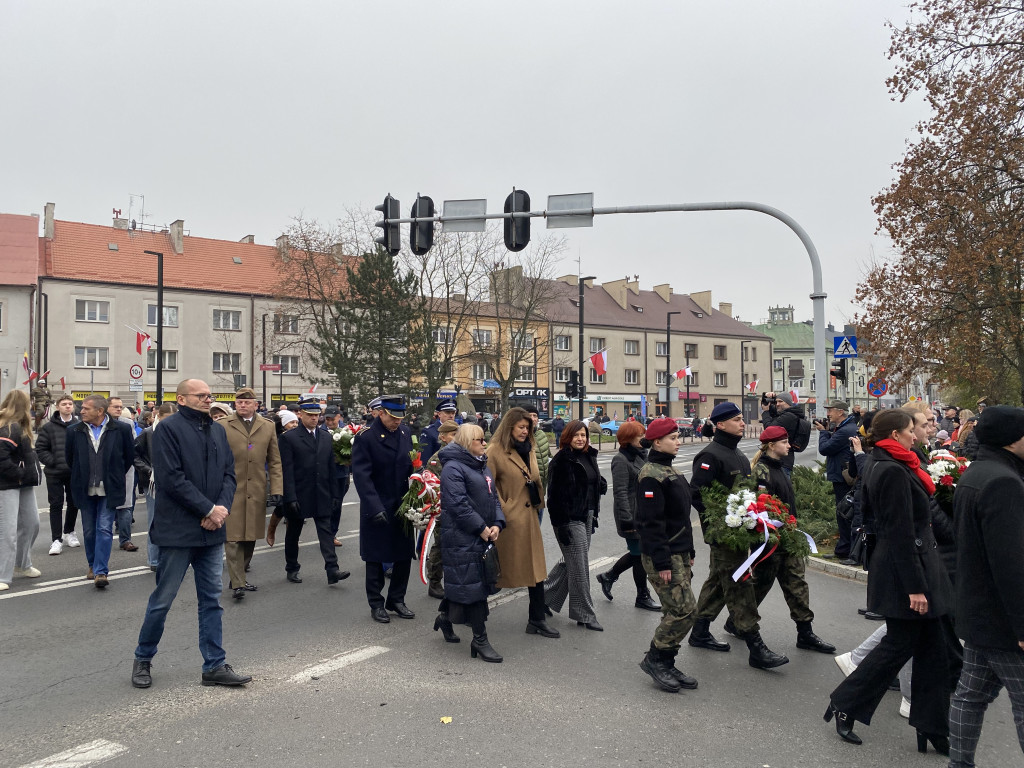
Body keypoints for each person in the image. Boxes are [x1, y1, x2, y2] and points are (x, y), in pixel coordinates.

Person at [825, 409, 952, 753]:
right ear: (895, 434)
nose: (917, 434)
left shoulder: (894, 463)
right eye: (912, 429)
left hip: (913, 566)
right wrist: (914, 587)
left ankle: (931, 726)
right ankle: (847, 703)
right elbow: (898, 532)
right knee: (901, 647)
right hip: (905, 572)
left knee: (931, 650)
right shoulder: (892, 470)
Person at [131, 379, 251, 689]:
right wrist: (208, 510)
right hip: (178, 533)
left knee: (211, 600)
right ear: (181, 399)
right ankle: (143, 658)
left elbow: (229, 474)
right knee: (163, 600)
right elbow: (171, 479)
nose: (207, 399)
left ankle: (214, 665)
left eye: (209, 395)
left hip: (211, 532)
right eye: (201, 395)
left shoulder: (217, 429)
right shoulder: (168, 430)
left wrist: (220, 509)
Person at [948, 405, 1024, 767]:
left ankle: (959, 764)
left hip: (978, 612)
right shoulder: (1004, 482)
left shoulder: (978, 472)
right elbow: (1011, 563)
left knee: (969, 697)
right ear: (1013, 440)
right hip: (1005, 622)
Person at [689, 401, 789, 669]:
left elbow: (748, 494)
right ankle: (755, 646)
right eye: (736, 420)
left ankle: (699, 631)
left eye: (742, 419)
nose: (742, 423)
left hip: (741, 532)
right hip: (724, 533)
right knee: (739, 583)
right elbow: (697, 494)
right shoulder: (710, 455)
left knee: (717, 582)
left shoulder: (740, 456)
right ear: (720, 424)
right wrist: (723, 520)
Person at [748, 425, 835, 654]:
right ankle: (740, 622)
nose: (789, 445)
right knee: (759, 586)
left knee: (797, 584)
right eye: (784, 442)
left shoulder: (780, 467)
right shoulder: (762, 471)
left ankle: (805, 632)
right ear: (771, 445)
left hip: (789, 538)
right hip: (772, 541)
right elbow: (761, 508)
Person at [635, 417, 699, 692]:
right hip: (663, 555)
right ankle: (655, 658)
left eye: (677, 437)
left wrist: (690, 550)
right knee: (685, 610)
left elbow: (682, 517)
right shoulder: (651, 474)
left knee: (677, 609)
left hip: (679, 551)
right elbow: (651, 523)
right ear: (657, 442)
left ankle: (666, 661)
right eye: (673, 438)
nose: (678, 441)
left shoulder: (669, 470)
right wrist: (661, 561)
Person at [436, 424, 505, 661]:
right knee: (474, 588)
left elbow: (493, 497)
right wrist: (482, 528)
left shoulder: (481, 465)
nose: (484, 443)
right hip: (462, 537)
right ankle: (480, 640)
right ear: (467, 442)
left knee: (467, 582)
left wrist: (497, 522)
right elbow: (458, 505)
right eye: (479, 440)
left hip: (481, 534)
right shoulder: (453, 469)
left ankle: (444, 618)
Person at [487, 406, 558, 639]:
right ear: (509, 427)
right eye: (520, 427)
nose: (525, 432)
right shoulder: (495, 451)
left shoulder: (529, 449)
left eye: (527, 428)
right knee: (493, 573)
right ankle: (453, 611)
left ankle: (536, 619)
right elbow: (487, 486)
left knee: (536, 572)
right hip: (508, 521)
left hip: (530, 518)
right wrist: (503, 508)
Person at [351, 395, 416, 623]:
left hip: (402, 504)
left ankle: (397, 599)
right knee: (376, 557)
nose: (397, 422)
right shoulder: (366, 437)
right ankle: (376, 603)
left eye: (400, 417)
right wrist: (374, 506)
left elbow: (411, 466)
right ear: (381, 413)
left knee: (404, 555)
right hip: (377, 504)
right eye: (393, 417)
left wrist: (419, 487)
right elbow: (362, 476)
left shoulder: (406, 433)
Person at [65, 395, 135, 587]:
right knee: (89, 531)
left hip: (109, 488)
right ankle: (92, 564)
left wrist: (115, 474)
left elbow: (128, 457)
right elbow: (71, 459)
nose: (81, 411)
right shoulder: (74, 431)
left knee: (104, 528)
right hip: (85, 488)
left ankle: (101, 571)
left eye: (86, 408)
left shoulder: (120, 429)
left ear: (100, 411)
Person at [278, 397, 349, 586]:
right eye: (310, 415)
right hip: (300, 492)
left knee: (326, 532)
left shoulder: (325, 436)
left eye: (317, 416)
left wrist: (335, 494)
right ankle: (292, 567)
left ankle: (332, 569)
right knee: (294, 532)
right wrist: (290, 496)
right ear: (300, 415)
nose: (314, 419)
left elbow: (331, 468)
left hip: (322, 492)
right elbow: (287, 469)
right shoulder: (288, 438)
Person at [544, 420, 606, 630]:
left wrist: (600, 484)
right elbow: (553, 497)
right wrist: (561, 526)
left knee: (572, 561)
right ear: (567, 437)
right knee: (579, 566)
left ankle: (543, 596)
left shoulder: (589, 456)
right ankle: (584, 614)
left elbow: (591, 479)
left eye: (583, 435)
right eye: (576, 435)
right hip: (569, 519)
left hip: (587, 514)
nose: (581, 439)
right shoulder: (561, 461)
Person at [222, 388, 283, 599]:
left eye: (247, 402)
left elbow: (274, 461)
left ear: (256, 404)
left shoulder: (267, 426)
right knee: (232, 538)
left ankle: (239, 576)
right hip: (230, 488)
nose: (242, 405)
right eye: (239, 402)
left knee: (250, 536)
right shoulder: (223, 425)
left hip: (256, 488)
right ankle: (238, 583)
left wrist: (276, 489)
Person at [596, 420, 660, 611]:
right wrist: (626, 519)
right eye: (640, 436)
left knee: (639, 553)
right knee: (639, 554)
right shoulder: (620, 460)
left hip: (644, 512)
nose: (643, 439)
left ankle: (608, 576)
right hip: (630, 514)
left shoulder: (642, 455)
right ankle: (642, 595)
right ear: (628, 439)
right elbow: (620, 492)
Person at [0, 390, 43, 590]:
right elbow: (1, 460)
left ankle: (21, 564)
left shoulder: (20, 427)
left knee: (31, 523)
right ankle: (3, 575)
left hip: (22, 482)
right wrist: (21, 473)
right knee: (7, 532)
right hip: (7, 484)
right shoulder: (8, 428)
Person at [35, 393, 80, 556]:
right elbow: (40, 449)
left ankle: (70, 532)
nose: (67, 406)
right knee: (56, 505)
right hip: (54, 472)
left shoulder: (79, 425)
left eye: (70, 404)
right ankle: (56, 539)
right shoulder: (48, 427)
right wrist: (52, 461)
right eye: (64, 404)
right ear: (57, 406)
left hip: (73, 472)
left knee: (74, 503)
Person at [814, 399, 859, 560]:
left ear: (840, 412)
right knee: (845, 513)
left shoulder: (844, 431)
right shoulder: (846, 427)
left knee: (844, 513)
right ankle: (844, 548)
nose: (828, 413)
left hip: (842, 477)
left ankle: (846, 550)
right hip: (843, 475)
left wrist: (823, 432)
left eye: (831, 410)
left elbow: (825, 449)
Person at [134, 403, 176, 570]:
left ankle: (169, 557)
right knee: (154, 521)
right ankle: (154, 560)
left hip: (174, 481)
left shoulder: (178, 432)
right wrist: (148, 470)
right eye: (166, 419)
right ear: (159, 417)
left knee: (173, 522)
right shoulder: (148, 433)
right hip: (153, 483)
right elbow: (135, 455)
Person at [424, 420, 459, 600]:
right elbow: (434, 487)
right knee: (441, 546)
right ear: (443, 437)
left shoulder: (462, 454)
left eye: (457, 434)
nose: (456, 438)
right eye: (453, 435)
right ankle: (435, 581)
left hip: (460, 509)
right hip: (444, 510)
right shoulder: (437, 459)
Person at [762, 391, 811, 477]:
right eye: (776, 402)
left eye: (780, 401)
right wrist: (765, 397)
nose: (777, 404)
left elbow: (769, 430)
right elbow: (772, 412)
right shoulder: (787, 414)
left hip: (783, 462)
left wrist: (765, 412)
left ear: (788, 403)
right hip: (782, 460)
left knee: (781, 489)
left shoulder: (789, 417)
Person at [323, 406, 351, 547]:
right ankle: (325, 535)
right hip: (325, 475)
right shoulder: (320, 431)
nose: (329, 422)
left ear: (339, 417)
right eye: (327, 419)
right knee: (325, 505)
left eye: (332, 419)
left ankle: (332, 533)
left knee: (337, 505)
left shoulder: (347, 431)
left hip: (341, 474)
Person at [419, 400, 457, 465]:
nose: (451, 416)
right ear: (439, 414)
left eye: (453, 413)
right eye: (447, 413)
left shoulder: (459, 430)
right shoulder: (429, 432)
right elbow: (424, 457)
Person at [523, 405, 551, 491]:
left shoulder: (542, 434)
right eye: (529, 415)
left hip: (543, 484)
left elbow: (548, 456)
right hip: (528, 485)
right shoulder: (521, 436)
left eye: (535, 416)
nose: (532, 418)